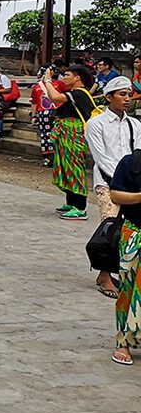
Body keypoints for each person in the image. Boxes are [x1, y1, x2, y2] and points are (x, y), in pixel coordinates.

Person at [84, 76, 140, 298]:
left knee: (131, 227)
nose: (127, 99)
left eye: (129, 94)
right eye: (122, 94)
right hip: (107, 181)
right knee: (111, 226)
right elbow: (101, 156)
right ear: (109, 97)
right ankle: (104, 273)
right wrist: (119, 180)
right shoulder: (96, 124)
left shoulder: (135, 124)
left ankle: (126, 269)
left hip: (134, 182)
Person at [43, 65, 98, 220]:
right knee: (65, 166)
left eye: (66, 75)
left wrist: (48, 80)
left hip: (74, 134)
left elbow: (55, 97)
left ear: (77, 78)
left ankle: (80, 207)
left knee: (74, 167)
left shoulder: (80, 93)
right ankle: (71, 201)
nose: (63, 78)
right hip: (66, 133)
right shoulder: (75, 93)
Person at [108, 142, 141, 366]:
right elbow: (115, 195)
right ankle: (123, 342)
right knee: (128, 287)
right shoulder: (131, 163)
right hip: (134, 232)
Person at [31, 64, 59, 167]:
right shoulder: (37, 86)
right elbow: (34, 102)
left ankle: (58, 157)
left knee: (57, 135)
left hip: (56, 112)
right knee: (45, 136)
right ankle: (48, 158)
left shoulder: (59, 84)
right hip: (43, 113)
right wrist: (34, 116)